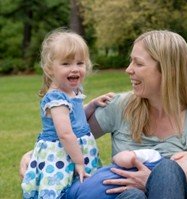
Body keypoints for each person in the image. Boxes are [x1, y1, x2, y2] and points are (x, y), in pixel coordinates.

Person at [21, 30, 187, 199]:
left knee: (166, 169)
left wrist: (151, 179)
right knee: (132, 195)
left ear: (169, 71)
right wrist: (32, 156)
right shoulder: (119, 106)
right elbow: (70, 134)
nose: (128, 70)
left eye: (138, 63)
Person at [21, 29, 110, 199]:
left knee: (82, 188)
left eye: (80, 63)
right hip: (61, 154)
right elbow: (65, 133)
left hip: (74, 150)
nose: (74, 69)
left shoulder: (73, 92)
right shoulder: (56, 98)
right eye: (66, 64)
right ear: (50, 68)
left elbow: (75, 119)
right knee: (59, 187)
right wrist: (78, 161)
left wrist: (91, 105)